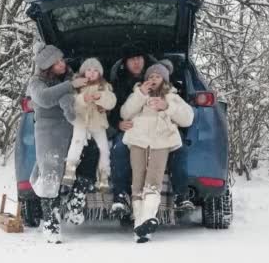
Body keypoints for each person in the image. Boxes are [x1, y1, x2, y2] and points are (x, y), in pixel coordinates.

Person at [108, 44, 195, 221]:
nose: (136, 62)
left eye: (139, 58)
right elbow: (116, 110)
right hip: (134, 131)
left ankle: (180, 196)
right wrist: (117, 124)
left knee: (180, 150)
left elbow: (186, 117)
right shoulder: (121, 83)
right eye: (132, 59)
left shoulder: (171, 92)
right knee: (119, 149)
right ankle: (121, 197)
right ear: (125, 63)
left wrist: (168, 110)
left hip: (162, 134)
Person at [120, 62, 194, 243]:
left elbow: (188, 119)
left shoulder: (172, 96)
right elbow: (125, 113)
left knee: (153, 181)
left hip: (161, 141)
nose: (153, 80)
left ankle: (147, 220)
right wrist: (140, 95)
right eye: (150, 77)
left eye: (157, 77)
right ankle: (140, 225)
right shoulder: (138, 93)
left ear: (164, 80)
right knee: (137, 181)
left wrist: (167, 106)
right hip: (137, 140)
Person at [27, 42, 88, 244]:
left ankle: (74, 204)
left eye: (62, 60)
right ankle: (50, 223)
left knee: (80, 168)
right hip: (49, 132)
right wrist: (70, 86)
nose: (62, 64)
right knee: (51, 174)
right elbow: (44, 99)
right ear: (47, 66)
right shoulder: (36, 82)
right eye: (57, 62)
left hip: (73, 131)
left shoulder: (70, 77)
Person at [62, 58, 116, 193]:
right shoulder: (77, 87)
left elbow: (111, 102)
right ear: (83, 72)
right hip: (81, 121)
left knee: (104, 148)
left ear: (100, 74)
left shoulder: (104, 87)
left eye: (96, 71)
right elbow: (71, 104)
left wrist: (101, 98)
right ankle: (70, 169)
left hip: (97, 123)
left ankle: (104, 175)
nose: (92, 73)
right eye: (89, 70)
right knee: (76, 142)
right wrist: (82, 99)